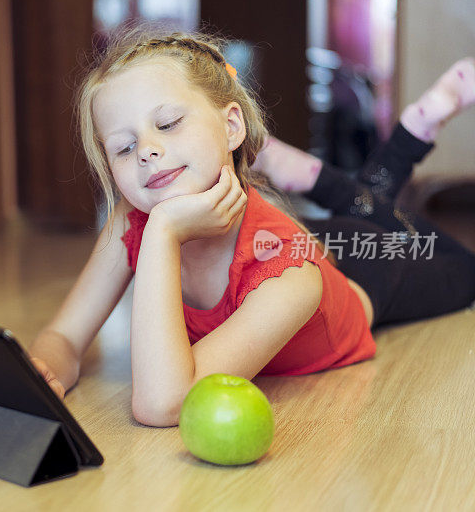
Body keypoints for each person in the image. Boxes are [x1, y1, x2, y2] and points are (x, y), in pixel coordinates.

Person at [28, 27, 475, 427]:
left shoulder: (291, 277)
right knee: (358, 211)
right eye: (123, 149)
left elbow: (163, 403)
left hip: (366, 273)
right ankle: (322, 177)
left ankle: (372, 155)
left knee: (465, 268)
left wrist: (163, 231)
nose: (146, 150)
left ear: (231, 127)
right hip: (296, 236)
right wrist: (44, 368)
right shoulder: (130, 219)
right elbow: (64, 338)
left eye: (167, 124)